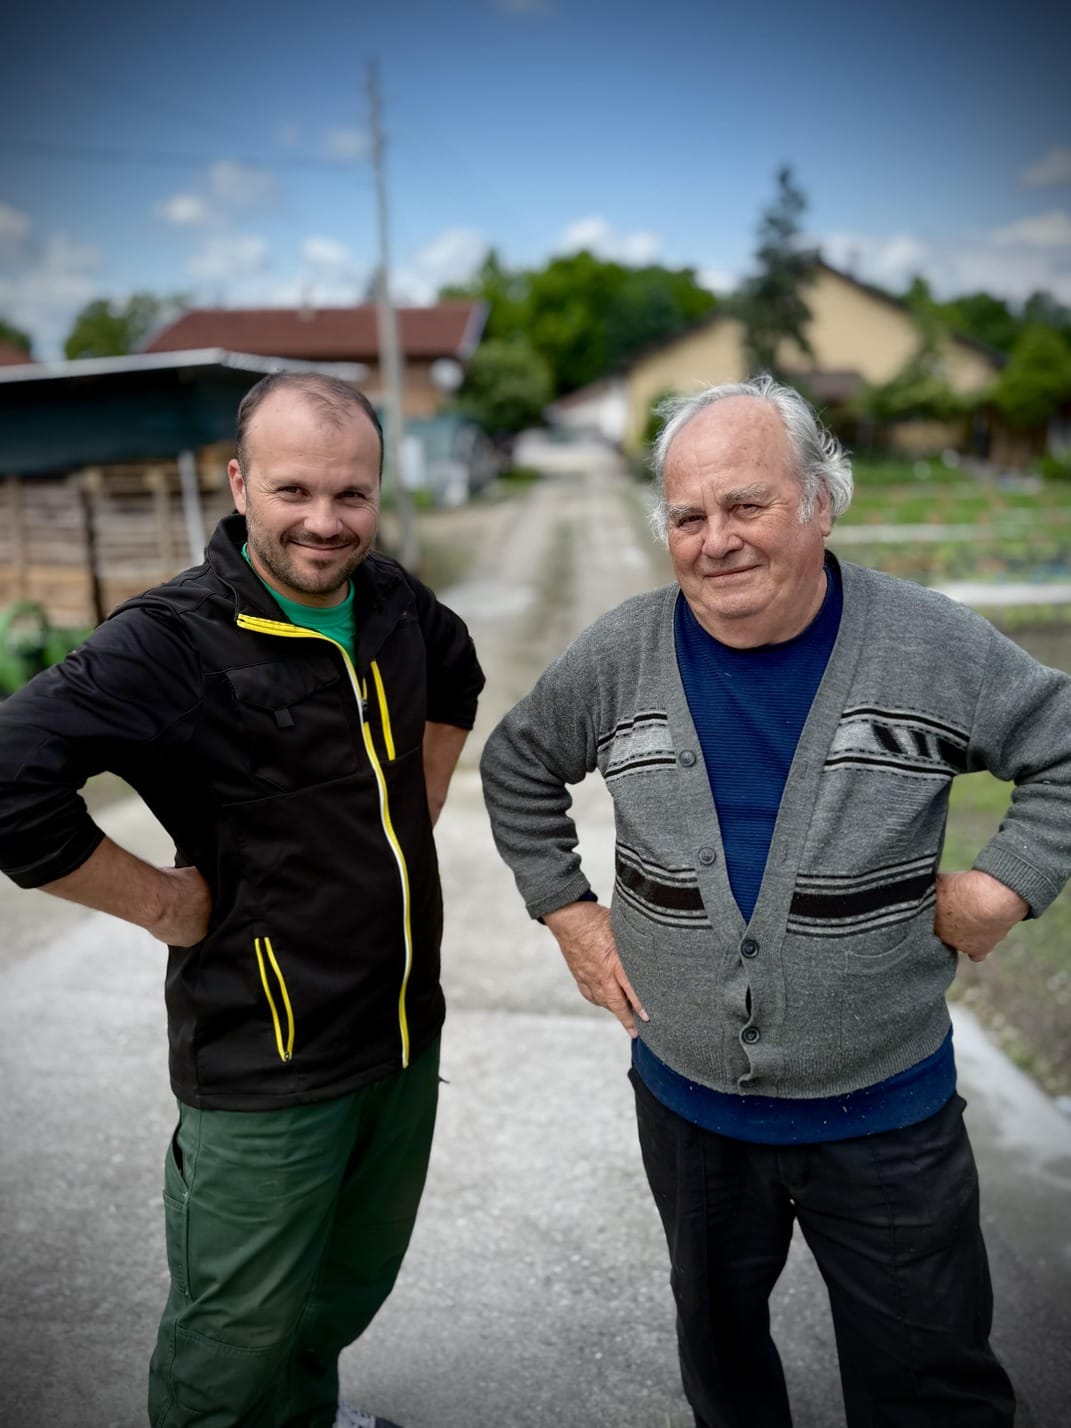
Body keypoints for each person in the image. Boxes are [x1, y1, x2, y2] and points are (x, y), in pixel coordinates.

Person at [479, 374, 1071, 1428]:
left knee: (931, 1388)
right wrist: (567, 911)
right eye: (687, 517)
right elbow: (517, 764)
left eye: (746, 504)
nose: (716, 541)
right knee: (722, 1362)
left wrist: (1005, 885)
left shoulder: (930, 644)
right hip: (688, 1110)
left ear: (818, 503)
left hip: (886, 1114)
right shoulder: (621, 653)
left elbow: (1062, 746)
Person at [0, 372, 484, 1428]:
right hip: (268, 1065)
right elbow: (11, 778)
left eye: (351, 494)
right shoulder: (170, 641)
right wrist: (160, 904)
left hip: (401, 1038)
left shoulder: (394, 603)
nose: (325, 521)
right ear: (238, 484)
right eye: (293, 490)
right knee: (233, 1339)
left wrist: (414, 804)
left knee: (341, 1292)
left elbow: (456, 671)